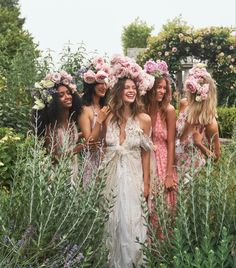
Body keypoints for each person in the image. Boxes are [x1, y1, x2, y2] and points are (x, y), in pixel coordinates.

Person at [99, 55, 154, 267]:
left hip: (133, 176)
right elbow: (99, 144)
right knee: (113, 220)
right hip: (111, 176)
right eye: (126, 87)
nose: (130, 91)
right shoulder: (110, 117)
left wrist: (146, 183)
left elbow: (146, 152)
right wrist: (100, 122)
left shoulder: (144, 119)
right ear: (119, 91)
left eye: (133, 87)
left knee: (132, 222)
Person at [32, 70, 83, 183]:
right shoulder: (52, 126)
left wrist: (85, 133)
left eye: (68, 93)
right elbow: (53, 158)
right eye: (61, 95)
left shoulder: (70, 122)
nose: (67, 97)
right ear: (53, 100)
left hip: (72, 170)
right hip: (57, 177)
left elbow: (69, 139)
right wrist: (77, 149)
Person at [176, 63, 221, 183]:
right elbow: (178, 137)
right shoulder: (183, 104)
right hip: (174, 164)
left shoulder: (210, 122)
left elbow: (216, 157)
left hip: (193, 173)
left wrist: (199, 144)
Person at [143, 59, 177, 209]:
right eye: (158, 87)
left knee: (162, 208)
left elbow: (171, 142)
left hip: (162, 163)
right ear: (150, 88)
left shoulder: (168, 110)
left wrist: (169, 174)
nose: (162, 91)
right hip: (144, 161)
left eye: (164, 88)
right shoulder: (142, 110)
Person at [77, 56, 110, 187]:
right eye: (99, 83)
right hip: (93, 161)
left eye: (105, 83)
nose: (103, 86)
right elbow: (89, 143)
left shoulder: (107, 107)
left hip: (109, 158)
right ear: (91, 85)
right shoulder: (85, 110)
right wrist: (99, 121)